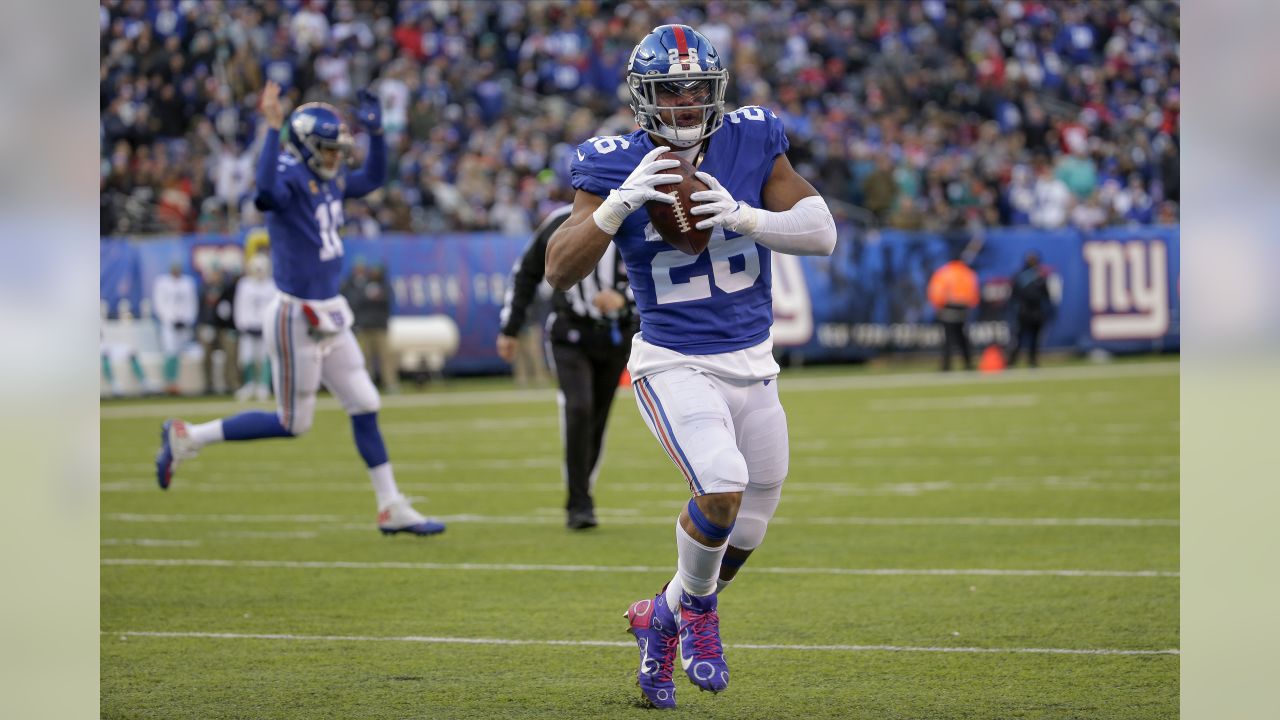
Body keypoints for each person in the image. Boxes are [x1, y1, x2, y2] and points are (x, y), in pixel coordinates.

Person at [544, 25, 836, 708]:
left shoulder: (751, 138)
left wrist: (746, 216)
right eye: (668, 91)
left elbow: (822, 232)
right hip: (673, 361)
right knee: (723, 484)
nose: (682, 103)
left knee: (752, 523)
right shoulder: (613, 160)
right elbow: (559, 269)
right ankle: (700, 618)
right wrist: (618, 205)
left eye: (695, 90)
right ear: (643, 98)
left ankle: (663, 616)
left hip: (753, 360)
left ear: (717, 93)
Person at [155, 80, 444, 537]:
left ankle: (390, 505)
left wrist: (378, 133)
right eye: (330, 150)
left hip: (330, 310)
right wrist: (272, 129)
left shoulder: (325, 175)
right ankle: (186, 435)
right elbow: (265, 193)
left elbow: (370, 179)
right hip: (295, 316)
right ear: (306, 147)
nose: (337, 159)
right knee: (293, 423)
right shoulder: (288, 174)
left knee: (366, 403)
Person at [498, 203, 638, 531]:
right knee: (579, 407)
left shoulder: (635, 215)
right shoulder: (561, 220)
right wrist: (510, 327)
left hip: (616, 335)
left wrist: (624, 297)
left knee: (598, 417)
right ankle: (578, 502)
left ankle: (582, 490)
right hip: (570, 332)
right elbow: (527, 270)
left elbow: (662, 268)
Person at [343, 262, 398, 393]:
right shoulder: (360, 285)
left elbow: (387, 302)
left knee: (386, 358)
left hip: (380, 327)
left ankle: (390, 384)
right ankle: (366, 385)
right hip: (364, 326)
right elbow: (355, 302)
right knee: (364, 359)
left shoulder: (384, 286)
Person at [233, 253, 277, 400]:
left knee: (265, 357)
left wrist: (270, 326)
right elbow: (239, 306)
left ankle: (263, 386)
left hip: (265, 328)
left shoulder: (272, 285)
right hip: (248, 328)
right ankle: (249, 384)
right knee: (247, 357)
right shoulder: (244, 285)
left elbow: (274, 307)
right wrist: (242, 325)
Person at [926, 254, 980, 371]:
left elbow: (936, 292)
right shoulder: (967, 273)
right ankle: (968, 364)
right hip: (963, 311)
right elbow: (974, 294)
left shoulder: (943, 273)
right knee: (963, 338)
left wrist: (938, 306)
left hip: (947, 310)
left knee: (948, 339)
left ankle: (946, 366)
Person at [152, 262, 197, 395]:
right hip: (169, 324)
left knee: (178, 353)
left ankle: (175, 382)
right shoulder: (162, 282)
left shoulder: (187, 282)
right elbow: (159, 303)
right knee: (170, 352)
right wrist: (169, 319)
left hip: (183, 324)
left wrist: (187, 320)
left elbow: (191, 303)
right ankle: (169, 382)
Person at [195, 267, 238, 395]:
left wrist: (233, 327)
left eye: (217, 274)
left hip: (225, 327)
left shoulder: (228, 288)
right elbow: (200, 309)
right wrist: (203, 325)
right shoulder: (204, 289)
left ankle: (231, 384)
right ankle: (208, 385)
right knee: (206, 356)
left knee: (231, 355)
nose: (215, 277)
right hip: (208, 326)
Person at [1006, 251, 1052, 367]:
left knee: (1025, 338)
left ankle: (1021, 361)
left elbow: (1013, 296)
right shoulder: (1037, 276)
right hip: (1029, 311)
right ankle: (1026, 361)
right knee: (1024, 338)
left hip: (1028, 311)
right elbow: (1046, 296)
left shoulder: (1028, 276)